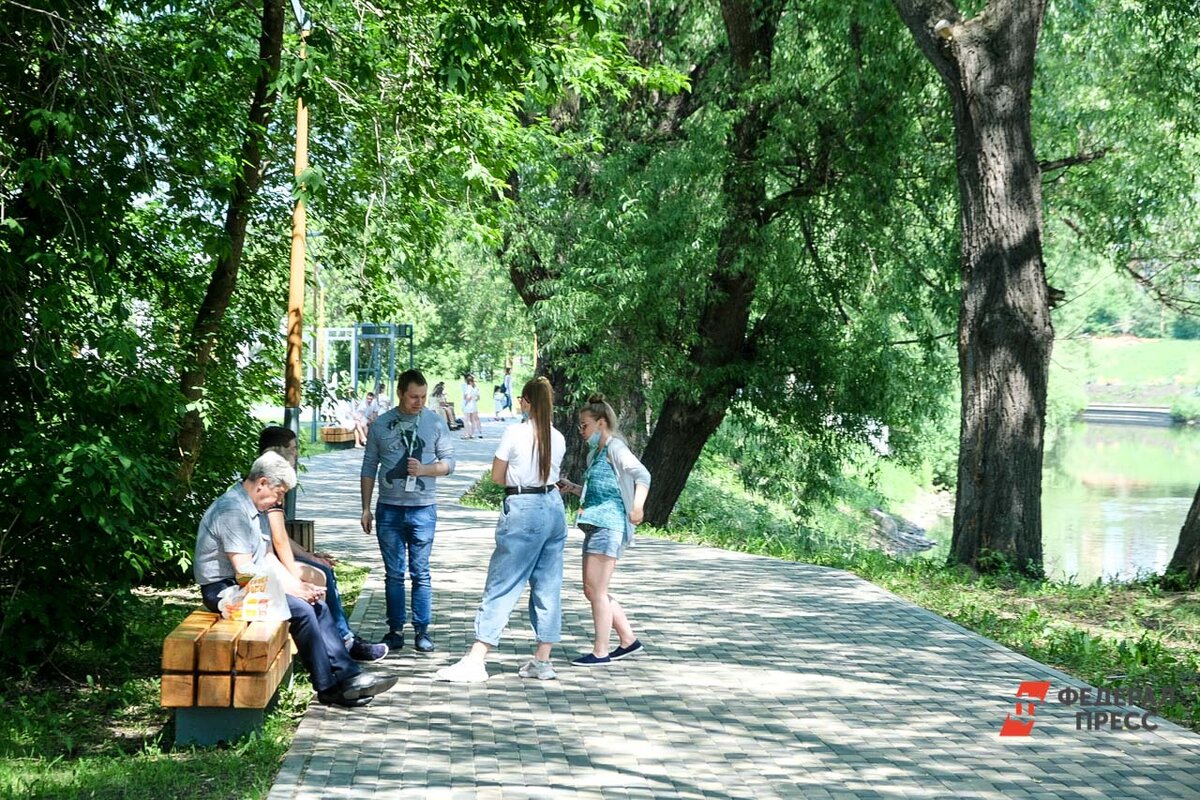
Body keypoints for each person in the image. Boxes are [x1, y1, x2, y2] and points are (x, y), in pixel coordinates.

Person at [194, 452, 397, 707]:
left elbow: (266, 557)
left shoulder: (254, 506)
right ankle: (327, 687)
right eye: (280, 493)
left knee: (317, 605)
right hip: (224, 591)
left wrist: (297, 586)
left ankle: (349, 677)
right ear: (262, 483)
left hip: (247, 585)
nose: (280, 500)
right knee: (301, 610)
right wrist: (292, 592)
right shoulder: (232, 511)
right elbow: (244, 570)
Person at [435, 377, 567, 683]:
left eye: (522, 399)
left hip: (524, 508)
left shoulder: (516, 432)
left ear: (529, 403)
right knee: (548, 585)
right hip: (553, 506)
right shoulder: (558, 437)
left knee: (503, 582)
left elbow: (497, 476)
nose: (519, 403)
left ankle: (477, 657)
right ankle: (542, 660)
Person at [258, 426, 387, 662]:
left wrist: (309, 554)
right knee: (321, 572)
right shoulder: (268, 487)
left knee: (323, 566)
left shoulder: (270, 482)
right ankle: (341, 642)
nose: (297, 454)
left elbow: (282, 537)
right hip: (266, 561)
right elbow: (278, 540)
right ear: (278, 452)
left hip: (270, 557)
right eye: (293, 449)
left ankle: (341, 638)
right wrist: (297, 572)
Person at [361, 369, 455, 653]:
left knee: (421, 572)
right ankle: (395, 630)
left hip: (423, 509)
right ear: (401, 393)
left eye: (423, 397)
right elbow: (368, 467)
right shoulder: (382, 425)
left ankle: (422, 630)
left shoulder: (435, 423)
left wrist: (426, 469)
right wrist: (365, 508)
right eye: (414, 396)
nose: (419, 402)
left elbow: (449, 463)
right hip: (389, 509)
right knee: (393, 573)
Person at [557, 394, 650, 665]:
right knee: (592, 589)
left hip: (610, 525)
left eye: (584, 425)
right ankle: (628, 640)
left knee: (596, 590)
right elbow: (600, 490)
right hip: (595, 524)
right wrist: (573, 487)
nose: (581, 431)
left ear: (601, 423)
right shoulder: (594, 454)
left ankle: (601, 651)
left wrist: (637, 507)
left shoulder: (615, 448)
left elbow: (643, 475)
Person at [461, 373, 481, 439]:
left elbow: (466, 397)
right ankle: (472, 434)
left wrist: (466, 399)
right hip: (474, 405)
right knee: (472, 420)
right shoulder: (475, 388)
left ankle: (467, 434)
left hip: (468, 405)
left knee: (466, 420)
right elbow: (478, 398)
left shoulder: (468, 387)